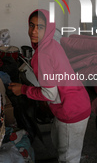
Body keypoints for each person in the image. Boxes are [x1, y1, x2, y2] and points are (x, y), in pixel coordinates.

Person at [8, 9, 91, 163]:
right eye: (31, 25)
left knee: (68, 157)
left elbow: (49, 94)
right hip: (79, 101)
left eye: (40, 27)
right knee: (65, 146)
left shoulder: (42, 55)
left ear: (48, 28)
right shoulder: (52, 43)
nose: (33, 31)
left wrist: (23, 89)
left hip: (71, 110)